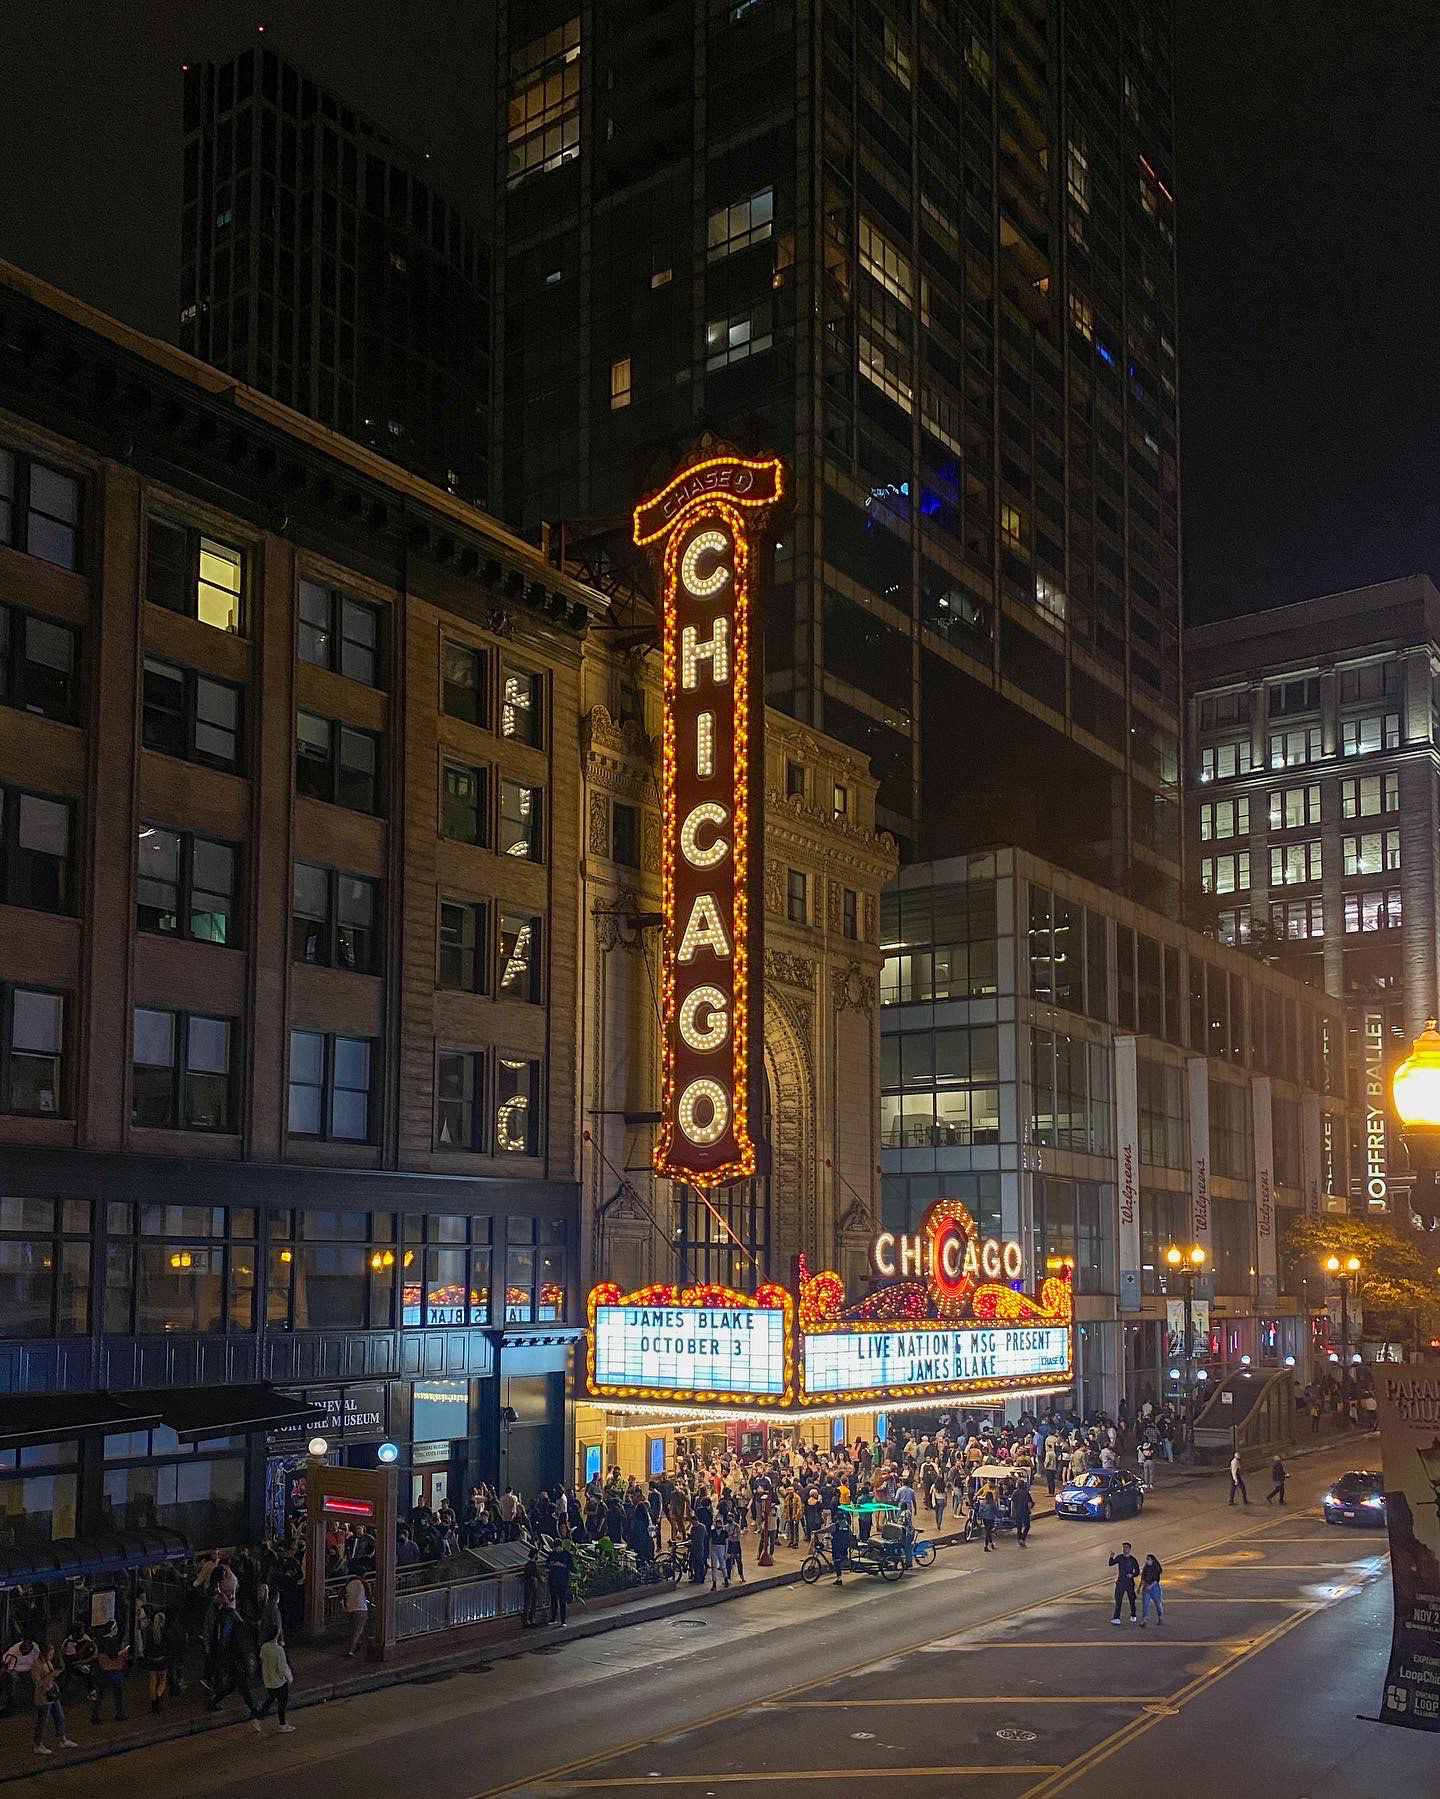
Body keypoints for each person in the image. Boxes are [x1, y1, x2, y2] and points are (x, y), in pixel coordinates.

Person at [29, 1647, 75, 1755]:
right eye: (50, 1654)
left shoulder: (48, 1662)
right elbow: (38, 1684)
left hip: (52, 1693)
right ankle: (38, 1744)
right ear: (44, 1654)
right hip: (43, 1697)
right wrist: (52, 1675)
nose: (52, 1657)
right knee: (43, 1721)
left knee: (60, 1716)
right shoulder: (36, 1666)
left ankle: (63, 1739)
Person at [90, 1628, 130, 1723]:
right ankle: (119, 1713)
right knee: (118, 1693)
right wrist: (122, 1653)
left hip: (101, 1671)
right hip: (113, 1672)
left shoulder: (98, 1641)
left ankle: (95, 1715)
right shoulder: (112, 1641)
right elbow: (114, 1655)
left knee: (100, 1694)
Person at [257, 1635, 296, 1732]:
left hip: (268, 1679)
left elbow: (262, 1659)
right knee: (282, 1702)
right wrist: (289, 1678)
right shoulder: (278, 1649)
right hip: (279, 1681)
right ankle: (282, 1724)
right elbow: (282, 1667)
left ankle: (258, 1717)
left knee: (271, 1699)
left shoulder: (264, 1647)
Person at [141, 1608, 171, 1713]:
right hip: (161, 1660)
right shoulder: (164, 1632)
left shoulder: (150, 1632)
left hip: (151, 1659)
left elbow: (146, 1646)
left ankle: (153, 1702)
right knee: (162, 1680)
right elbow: (167, 1646)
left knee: (152, 1682)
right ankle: (158, 1696)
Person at [1110, 1542, 1140, 1623]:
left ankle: (1133, 1615)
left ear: (1129, 1549)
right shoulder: (1120, 1557)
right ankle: (1117, 1618)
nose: (1124, 1549)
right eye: (1123, 1547)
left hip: (1129, 1582)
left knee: (1131, 1599)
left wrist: (1132, 1575)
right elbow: (1111, 1563)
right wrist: (1111, 1557)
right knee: (1118, 1600)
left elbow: (1137, 1571)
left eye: (1126, 1547)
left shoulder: (1132, 1560)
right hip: (1120, 1582)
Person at [343, 1571, 370, 1657]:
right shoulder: (364, 1583)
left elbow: (341, 1595)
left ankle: (358, 1643)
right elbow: (369, 1595)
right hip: (361, 1608)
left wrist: (344, 1607)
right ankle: (351, 1650)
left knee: (353, 1628)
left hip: (350, 1608)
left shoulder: (348, 1583)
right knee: (357, 1630)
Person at [547, 1541, 574, 1626]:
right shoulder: (552, 1554)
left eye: (557, 1548)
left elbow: (570, 1566)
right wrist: (553, 1564)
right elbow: (547, 1564)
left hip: (563, 1580)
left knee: (562, 1600)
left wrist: (562, 1565)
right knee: (553, 1600)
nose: (556, 1550)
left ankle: (563, 1620)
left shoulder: (566, 1554)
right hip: (553, 1580)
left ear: (560, 1547)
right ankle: (553, 1618)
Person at [1139, 1553, 1164, 1627]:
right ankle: (1144, 1619)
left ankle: (1160, 1617)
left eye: (1148, 1559)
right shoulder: (1145, 1568)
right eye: (1146, 1559)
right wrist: (1139, 1587)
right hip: (1146, 1587)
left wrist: (1150, 1586)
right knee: (1145, 1604)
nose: (1146, 1561)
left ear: (1152, 1561)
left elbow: (1156, 1580)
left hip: (1154, 1588)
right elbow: (1143, 1579)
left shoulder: (1155, 1569)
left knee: (1157, 1603)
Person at [830, 1507, 853, 1587]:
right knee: (841, 1558)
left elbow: (826, 1529)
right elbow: (850, 1534)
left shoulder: (835, 1525)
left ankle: (839, 1579)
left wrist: (815, 1532)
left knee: (837, 1562)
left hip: (837, 1546)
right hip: (844, 1545)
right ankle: (844, 1561)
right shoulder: (847, 1525)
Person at [521, 1547, 542, 1626]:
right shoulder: (531, 1565)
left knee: (531, 1602)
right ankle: (528, 1619)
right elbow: (529, 1575)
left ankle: (530, 1619)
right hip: (530, 1585)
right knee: (529, 1602)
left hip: (531, 1585)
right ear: (535, 1555)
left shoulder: (530, 1564)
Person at [975, 1483, 998, 1551]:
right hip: (991, 1519)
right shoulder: (993, 1504)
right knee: (988, 1532)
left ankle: (991, 1544)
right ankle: (986, 1545)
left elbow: (980, 1511)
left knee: (988, 1531)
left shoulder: (983, 1503)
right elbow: (995, 1511)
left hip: (985, 1518)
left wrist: (981, 1515)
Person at [1011, 1476, 1033, 1547]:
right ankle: (1023, 1538)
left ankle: (1019, 1539)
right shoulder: (1026, 1493)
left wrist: (1012, 1511)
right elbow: (1029, 1503)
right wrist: (1029, 1509)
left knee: (1019, 1527)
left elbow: (1012, 1502)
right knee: (1027, 1526)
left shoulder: (1015, 1492)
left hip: (1017, 1511)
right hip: (1025, 1511)